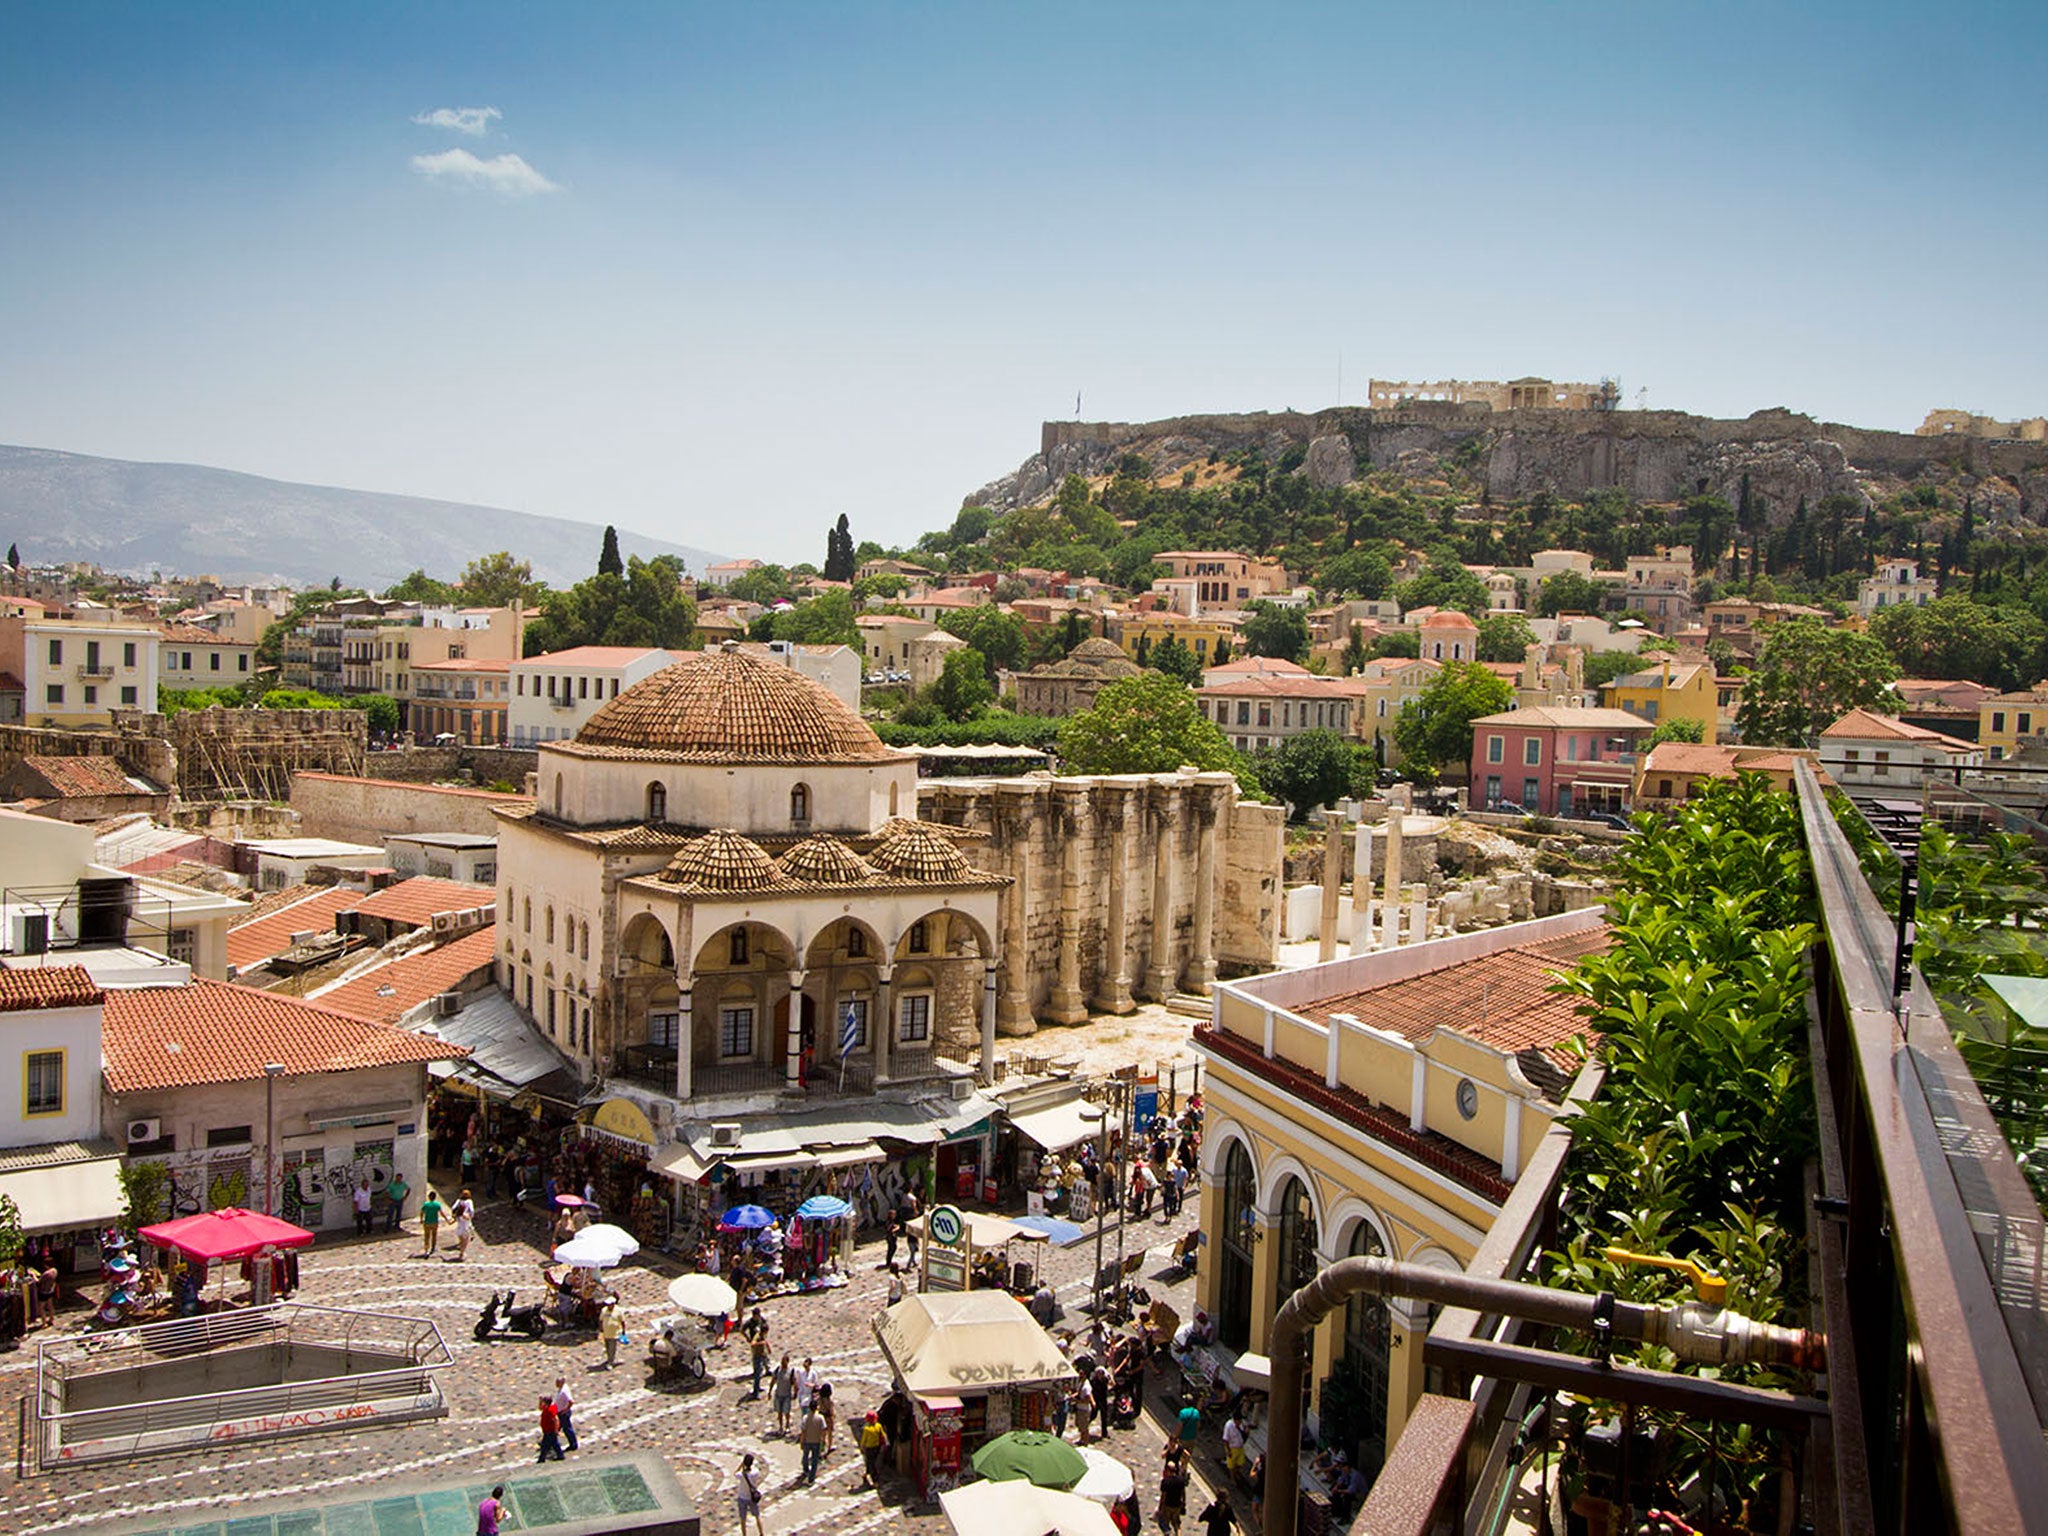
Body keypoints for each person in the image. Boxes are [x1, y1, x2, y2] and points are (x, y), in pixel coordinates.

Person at [734, 1452, 766, 1536]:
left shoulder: (741, 1475)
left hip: (742, 1497)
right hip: (752, 1497)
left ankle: (744, 1534)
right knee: (757, 1516)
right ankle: (761, 1533)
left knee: (743, 1518)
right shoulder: (755, 1472)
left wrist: (741, 1465)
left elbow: (735, 1473)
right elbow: (757, 1470)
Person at [857, 1407, 890, 1489]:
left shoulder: (866, 1429)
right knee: (872, 1461)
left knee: (871, 1463)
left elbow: (864, 1439)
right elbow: (883, 1435)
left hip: (869, 1448)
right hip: (877, 1447)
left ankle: (874, 1480)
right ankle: (866, 1473)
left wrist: (861, 1447)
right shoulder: (878, 1426)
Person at [1157, 1453, 1188, 1536]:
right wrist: (1184, 1503)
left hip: (1167, 1505)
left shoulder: (1165, 1482)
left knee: (1166, 1524)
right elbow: (1183, 1493)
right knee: (1177, 1524)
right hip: (1177, 1505)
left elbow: (1163, 1496)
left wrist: (1160, 1508)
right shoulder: (1181, 1480)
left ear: (1167, 1470)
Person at [743, 1307, 770, 1397]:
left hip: (762, 1352)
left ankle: (767, 1370)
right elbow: (753, 1343)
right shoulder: (750, 1324)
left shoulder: (761, 1321)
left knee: (764, 1361)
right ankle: (755, 1391)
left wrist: (767, 1346)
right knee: (758, 1373)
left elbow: (765, 1339)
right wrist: (748, 1338)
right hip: (757, 1352)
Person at [799, 1400, 827, 1484]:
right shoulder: (820, 1418)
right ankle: (811, 1478)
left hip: (807, 1440)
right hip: (816, 1441)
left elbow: (803, 1431)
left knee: (805, 1456)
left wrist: (801, 1441)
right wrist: (823, 1439)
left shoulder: (805, 1418)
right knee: (815, 1460)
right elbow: (823, 1430)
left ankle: (805, 1469)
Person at [771, 1353, 797, 1435]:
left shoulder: (790, 1371)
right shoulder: (778, 1370)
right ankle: (780, 1426)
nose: (782, 1363)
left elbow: (794, 1382)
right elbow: (773, 1380)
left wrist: (795, 1392)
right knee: (779, 1412)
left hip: (787, 1395)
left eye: (784, 1362)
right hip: (778, 1394)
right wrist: (769, 1391)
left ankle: (787, 1425)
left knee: (786, 1412)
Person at [553, 1376, 578, 1453]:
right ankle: (550, 1442)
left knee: (566, 1429)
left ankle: (573, 1444)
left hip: (563, 1413)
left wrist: (566, 1409)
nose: (556, 1384)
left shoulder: (564, 1391)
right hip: (560, 1412)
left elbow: (571, 1401)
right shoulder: (564, 1388)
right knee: (557, 1427)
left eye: (557, 1382)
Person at [450, 1189, 477, 1261]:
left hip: (459, 1221)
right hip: (466, 1220)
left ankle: (461, 1247)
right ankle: (462, 1253)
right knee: (466, 1239)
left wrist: (454, 1216)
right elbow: (471, 1210)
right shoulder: (469, 1202)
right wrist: (471, 1216)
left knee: (461, 1235)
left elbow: (453, 1208)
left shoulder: (458, 1201)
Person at [536, 1394, 564, 1462]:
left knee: (545, 1445)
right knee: (554, 1443)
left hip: (550, 1430)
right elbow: (540, 1408)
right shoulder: (548, 1407)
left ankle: (541, 1458)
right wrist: (540, 1401)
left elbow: (556, 1419)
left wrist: (556, 1430)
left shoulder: (550, 1410)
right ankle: (560, 1455)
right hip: (547, 1430)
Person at [1223, 1406, 1248, 1483]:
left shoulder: (1241, 1425)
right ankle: (1232, 1478)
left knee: (1240, 1462)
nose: (1240, 1422)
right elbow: (1225, 1439)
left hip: (1240, 1446)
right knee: (1231, 1464)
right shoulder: (1229, 1426)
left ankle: (1235, 1472)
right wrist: (1228, 1450)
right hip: (1232, 1447)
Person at [418, 1188, 443, 1257]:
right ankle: (433, 1247)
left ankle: (426, 1249)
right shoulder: (437, 1204)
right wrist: (447, 1219)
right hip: (435, 1222)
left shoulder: (426, 1204)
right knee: (434, 1235)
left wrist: (421, 1219)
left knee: (427, 1236)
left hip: (427, 1222)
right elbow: (441, 1213)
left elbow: (421, 1212)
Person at [599, 1300, 623, 1367]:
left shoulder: (618, 1310)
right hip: (606, 1333)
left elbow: (622, 1320)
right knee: (607, 1347)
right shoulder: (604, 1310)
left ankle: (611, 1362)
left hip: (614, 1333)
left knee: (612, 1348)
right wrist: (601, 1328)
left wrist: (623, 1330)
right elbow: (601, 1320)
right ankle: (609, 1358)